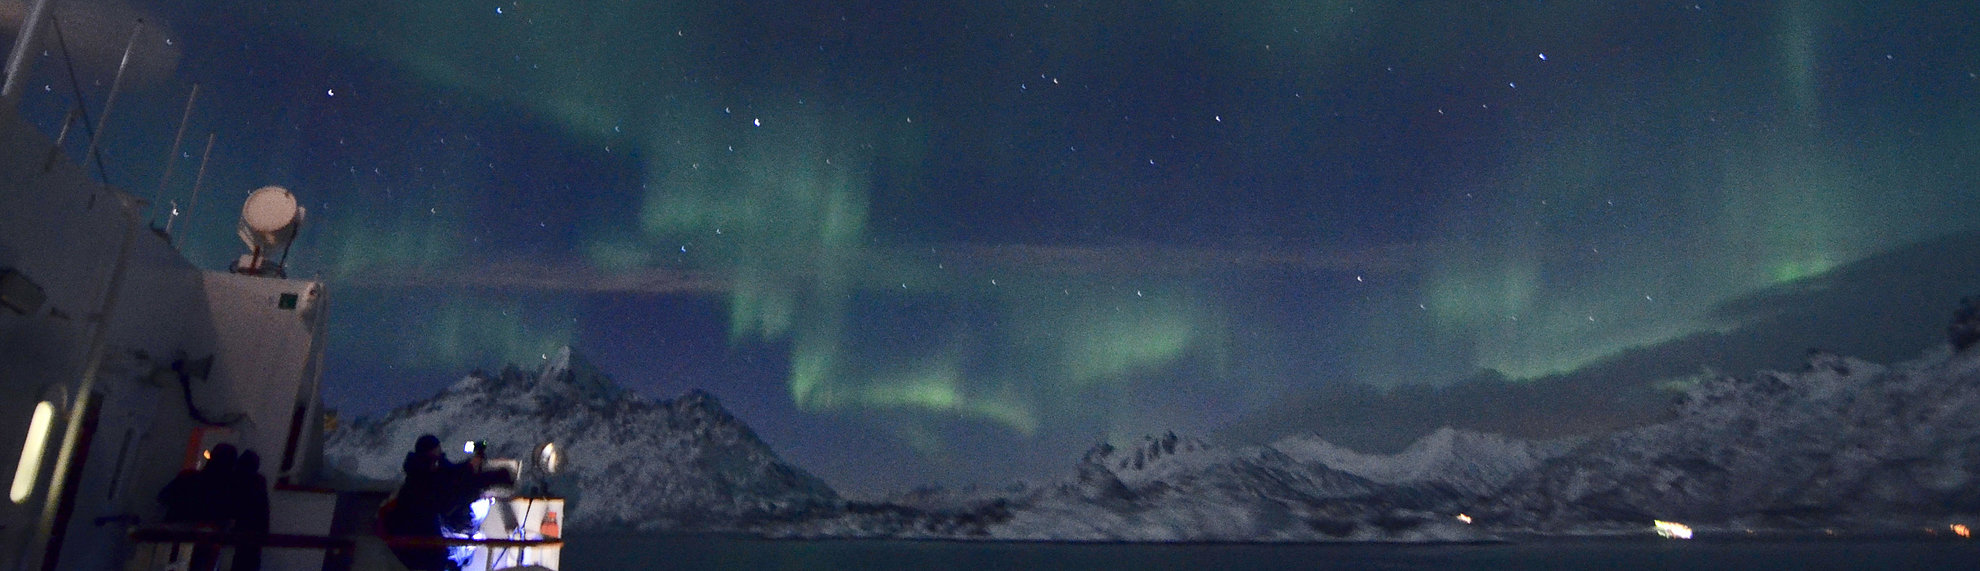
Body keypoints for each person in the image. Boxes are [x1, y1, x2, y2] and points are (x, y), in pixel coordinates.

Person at [385, 435, 455, 570]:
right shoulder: (423, 482)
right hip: (423, 549)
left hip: (414, 548)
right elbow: (441, 505)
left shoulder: (415, 476)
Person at [230, 450, 271, 571]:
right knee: (250, 560)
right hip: (256, 528)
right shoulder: (259, 481)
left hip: (240, 525)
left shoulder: (235, 479)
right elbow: (263, 508)